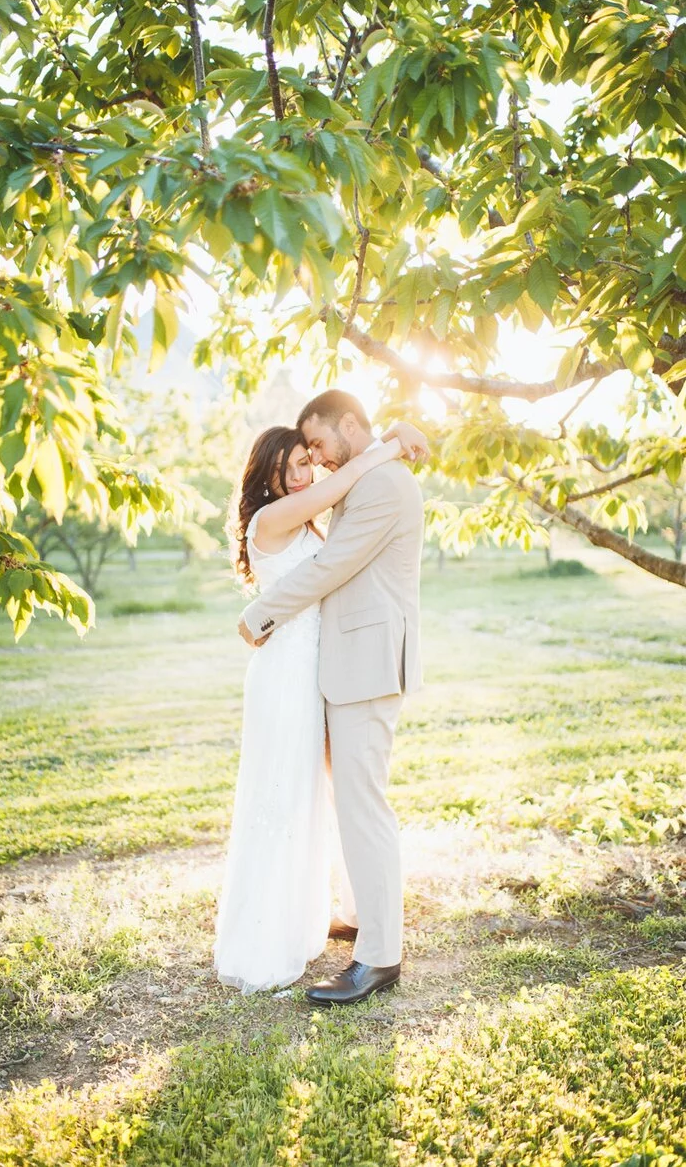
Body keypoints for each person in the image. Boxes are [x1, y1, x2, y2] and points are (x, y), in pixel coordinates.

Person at [214, 406, 427, 996]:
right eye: (299, 458)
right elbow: (333, 510)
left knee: (355, 802)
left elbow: (335, 563)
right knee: (307, 795)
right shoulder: (296, 507)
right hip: (311, 668)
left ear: (346, 427)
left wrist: (261, 612)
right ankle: (344, 919)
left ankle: (379, 953)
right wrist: (390, 438)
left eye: (316, 449)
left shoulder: (379, 481)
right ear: (269, 471)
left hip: (353, 665)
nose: (315, 464)